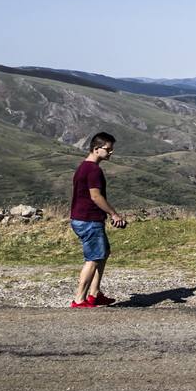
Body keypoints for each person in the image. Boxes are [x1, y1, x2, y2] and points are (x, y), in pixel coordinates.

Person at [69, 132, 127, 308]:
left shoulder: (83, 167)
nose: (111, 153)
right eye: (108, 149)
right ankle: (79, 299)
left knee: (104, 252)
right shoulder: (94, 170)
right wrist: (114, 214)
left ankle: (94, 293)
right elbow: (95, 196)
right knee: (93, 258)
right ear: (96, 149)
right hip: (88, 220)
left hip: (83, 218)